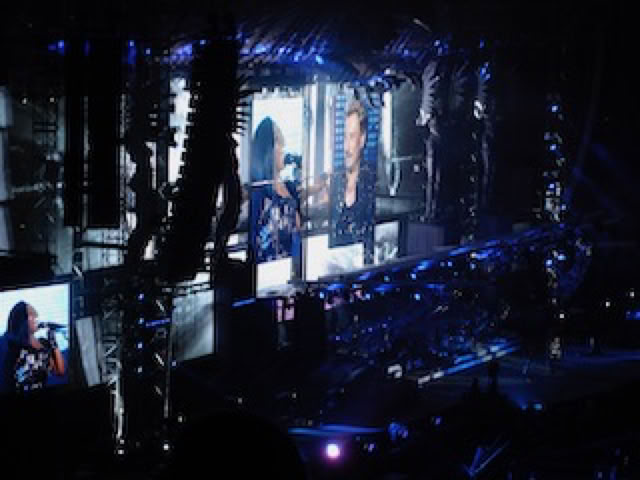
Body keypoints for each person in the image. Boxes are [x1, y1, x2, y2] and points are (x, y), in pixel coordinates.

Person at [249, 116, 301, 267]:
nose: (283, 146)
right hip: (272, 268)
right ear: (267, 149)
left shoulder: (289, 187)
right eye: (278, 141)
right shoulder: (259, 193)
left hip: (296, 264)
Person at [330, 98, 375, 249]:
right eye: (344, 137)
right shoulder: (335, 180)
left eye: (351, 137)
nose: (346, 147)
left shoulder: (373, 181)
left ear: (362, 139)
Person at [1, 301, 65, 394]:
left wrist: (53, 342)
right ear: (21, 319)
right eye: (31, 314)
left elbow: (60, 371)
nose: (36, 317)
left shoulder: (44, 344)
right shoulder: (12, 345)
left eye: (35, 314)